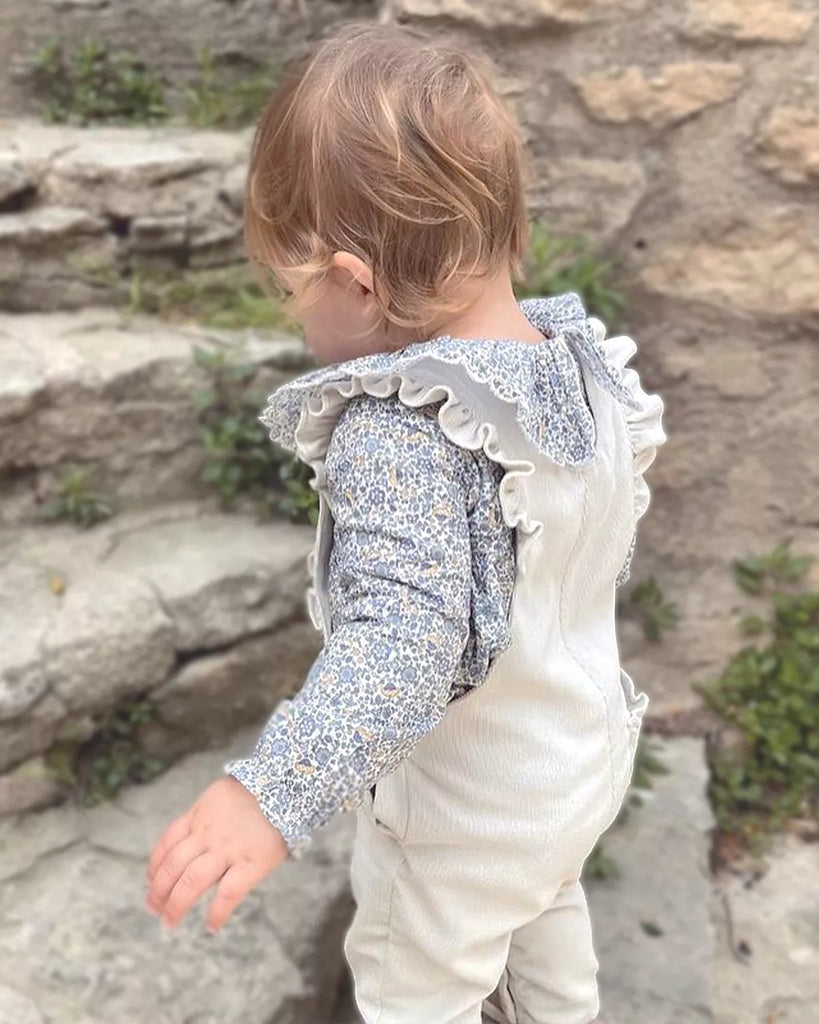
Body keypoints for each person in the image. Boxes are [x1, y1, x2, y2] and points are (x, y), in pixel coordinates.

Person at [145, 22, 666, 1024]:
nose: (298, 325)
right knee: (550, 966)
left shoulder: (405, 431)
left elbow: (406, 640)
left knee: (415, 995)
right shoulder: (581, 372)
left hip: (461, 827)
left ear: (359, 282)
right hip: (571, 775)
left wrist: (272, 791)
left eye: (292, 294)